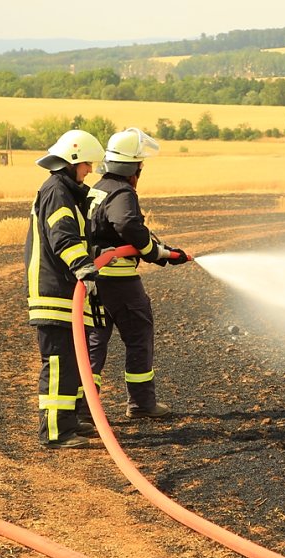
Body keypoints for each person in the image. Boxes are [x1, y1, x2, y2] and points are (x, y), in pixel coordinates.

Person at [83, 127, 192, 423]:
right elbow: (127, 224)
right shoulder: (122, 192)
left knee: (93, 345)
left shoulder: (98, 188)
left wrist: (163, 251)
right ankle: (142, 403)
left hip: (93, 283)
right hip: (120, 284)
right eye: (140, 166)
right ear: (132, 168)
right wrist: (153, 252)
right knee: (139, 338)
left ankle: (84, 411)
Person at [25, 129, 105, 449]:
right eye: (86, 164)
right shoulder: (57, 191)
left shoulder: (67, 192)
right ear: (72, 160)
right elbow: (63, 237)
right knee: (59, 363)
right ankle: (55, 432)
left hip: (65, 293)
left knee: (72, 361)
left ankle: (69, 422)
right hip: (54, 293)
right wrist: (84, 267)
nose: (89, 171)